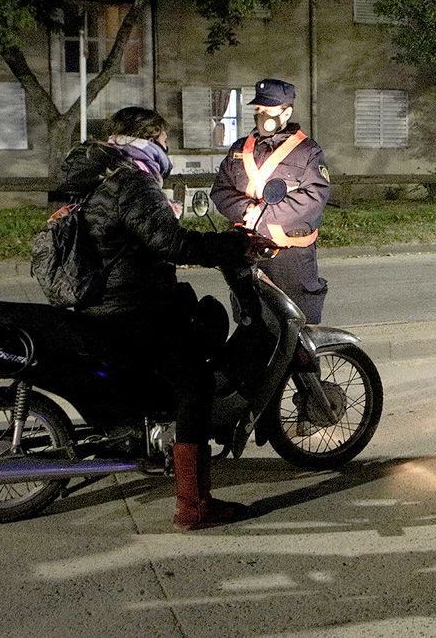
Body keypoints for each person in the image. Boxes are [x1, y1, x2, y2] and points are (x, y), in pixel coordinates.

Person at [57, 106, 258, 531]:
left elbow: (125, 234)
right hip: (131, 308)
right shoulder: (132, 179)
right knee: (195, 383)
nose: (167, 150)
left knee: (196, 324)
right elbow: (171, 244)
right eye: (165, 141)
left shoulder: (98, 176)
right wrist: (227, 247)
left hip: (102, 300)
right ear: (152, 137)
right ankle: (193, 506)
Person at [211, 79, 331, 323]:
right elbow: (220, 191)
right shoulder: (239, 149)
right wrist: (248, 210)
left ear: (286, 112)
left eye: (268, 110)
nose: (261, 115)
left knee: (297, 325)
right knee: (251, 322)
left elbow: (314, 196)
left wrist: (264, 214)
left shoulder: (307, 151)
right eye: (258, 110)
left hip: (290, 256)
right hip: (247, 250)